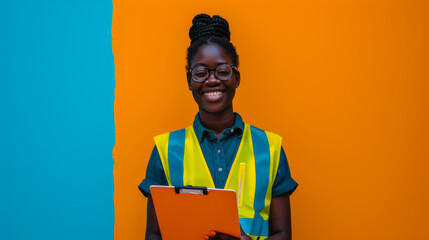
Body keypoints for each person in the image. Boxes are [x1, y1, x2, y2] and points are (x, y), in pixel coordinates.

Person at [139, 14, 298, 240]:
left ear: (237, 78)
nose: (212, 80)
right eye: (201, 73)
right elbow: (154, 235)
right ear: (189, 81)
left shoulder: (270, 148)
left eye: (223, 71)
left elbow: (282, 234)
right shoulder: (165, 150)